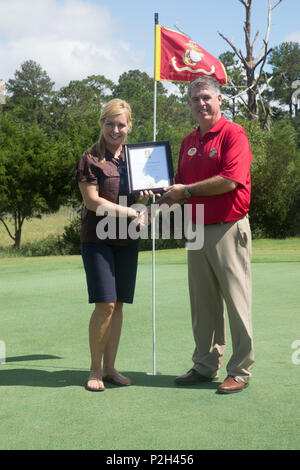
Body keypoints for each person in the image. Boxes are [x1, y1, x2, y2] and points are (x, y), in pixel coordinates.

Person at [161, 76, 254, 394]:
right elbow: (176, 185)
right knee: (203, 304)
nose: (201, 103)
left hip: (228, 226)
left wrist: (184, 190)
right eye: (195, 99)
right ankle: (205, 366)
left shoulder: (233, 133)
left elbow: (229, 180)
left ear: (219, 100)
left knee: (236, 301)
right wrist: (158, 190)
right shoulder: (189, 142)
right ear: (189, 104)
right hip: (196, 229)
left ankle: (240, 370)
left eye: (206, 98)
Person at [75, 98, 148, 392]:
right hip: (97, 240)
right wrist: (131, 212)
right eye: (110, 123)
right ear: (101, 124)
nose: (115, 129)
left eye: (121, 124)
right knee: (104, 303)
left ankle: (110, 368)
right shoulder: (90, 158)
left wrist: (143, 200)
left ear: (129, 126)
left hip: (128, 239)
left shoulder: (137, 158)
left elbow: (141, 198)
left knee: (118, 305)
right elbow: (92, 201)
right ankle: (94, 369)